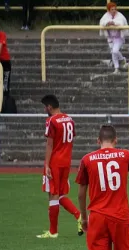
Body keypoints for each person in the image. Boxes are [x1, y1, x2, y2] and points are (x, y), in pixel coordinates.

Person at [37, 95, 83, 239]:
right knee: (61, 193)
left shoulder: (51, 120)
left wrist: (47, 164)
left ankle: (53, 232)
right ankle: (79, 216)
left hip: (55, 161)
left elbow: (50, 144)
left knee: (52, 194)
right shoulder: (69, 119)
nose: (45, 110)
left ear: (49, 107)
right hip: (66, 161)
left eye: (45, 107)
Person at [99, 2, 129, 74]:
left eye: (115, 9)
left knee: (115, 51)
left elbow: (121, 23)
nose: (114, 11)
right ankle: (117, 68)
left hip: (118, 37)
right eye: (112, 9)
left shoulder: (120, 15)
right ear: (109, 10)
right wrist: (107, 23)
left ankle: (121, 60)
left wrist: (113, 22)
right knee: (113, 52)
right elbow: (102, 22)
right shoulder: (106, 15)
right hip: (110, 38)